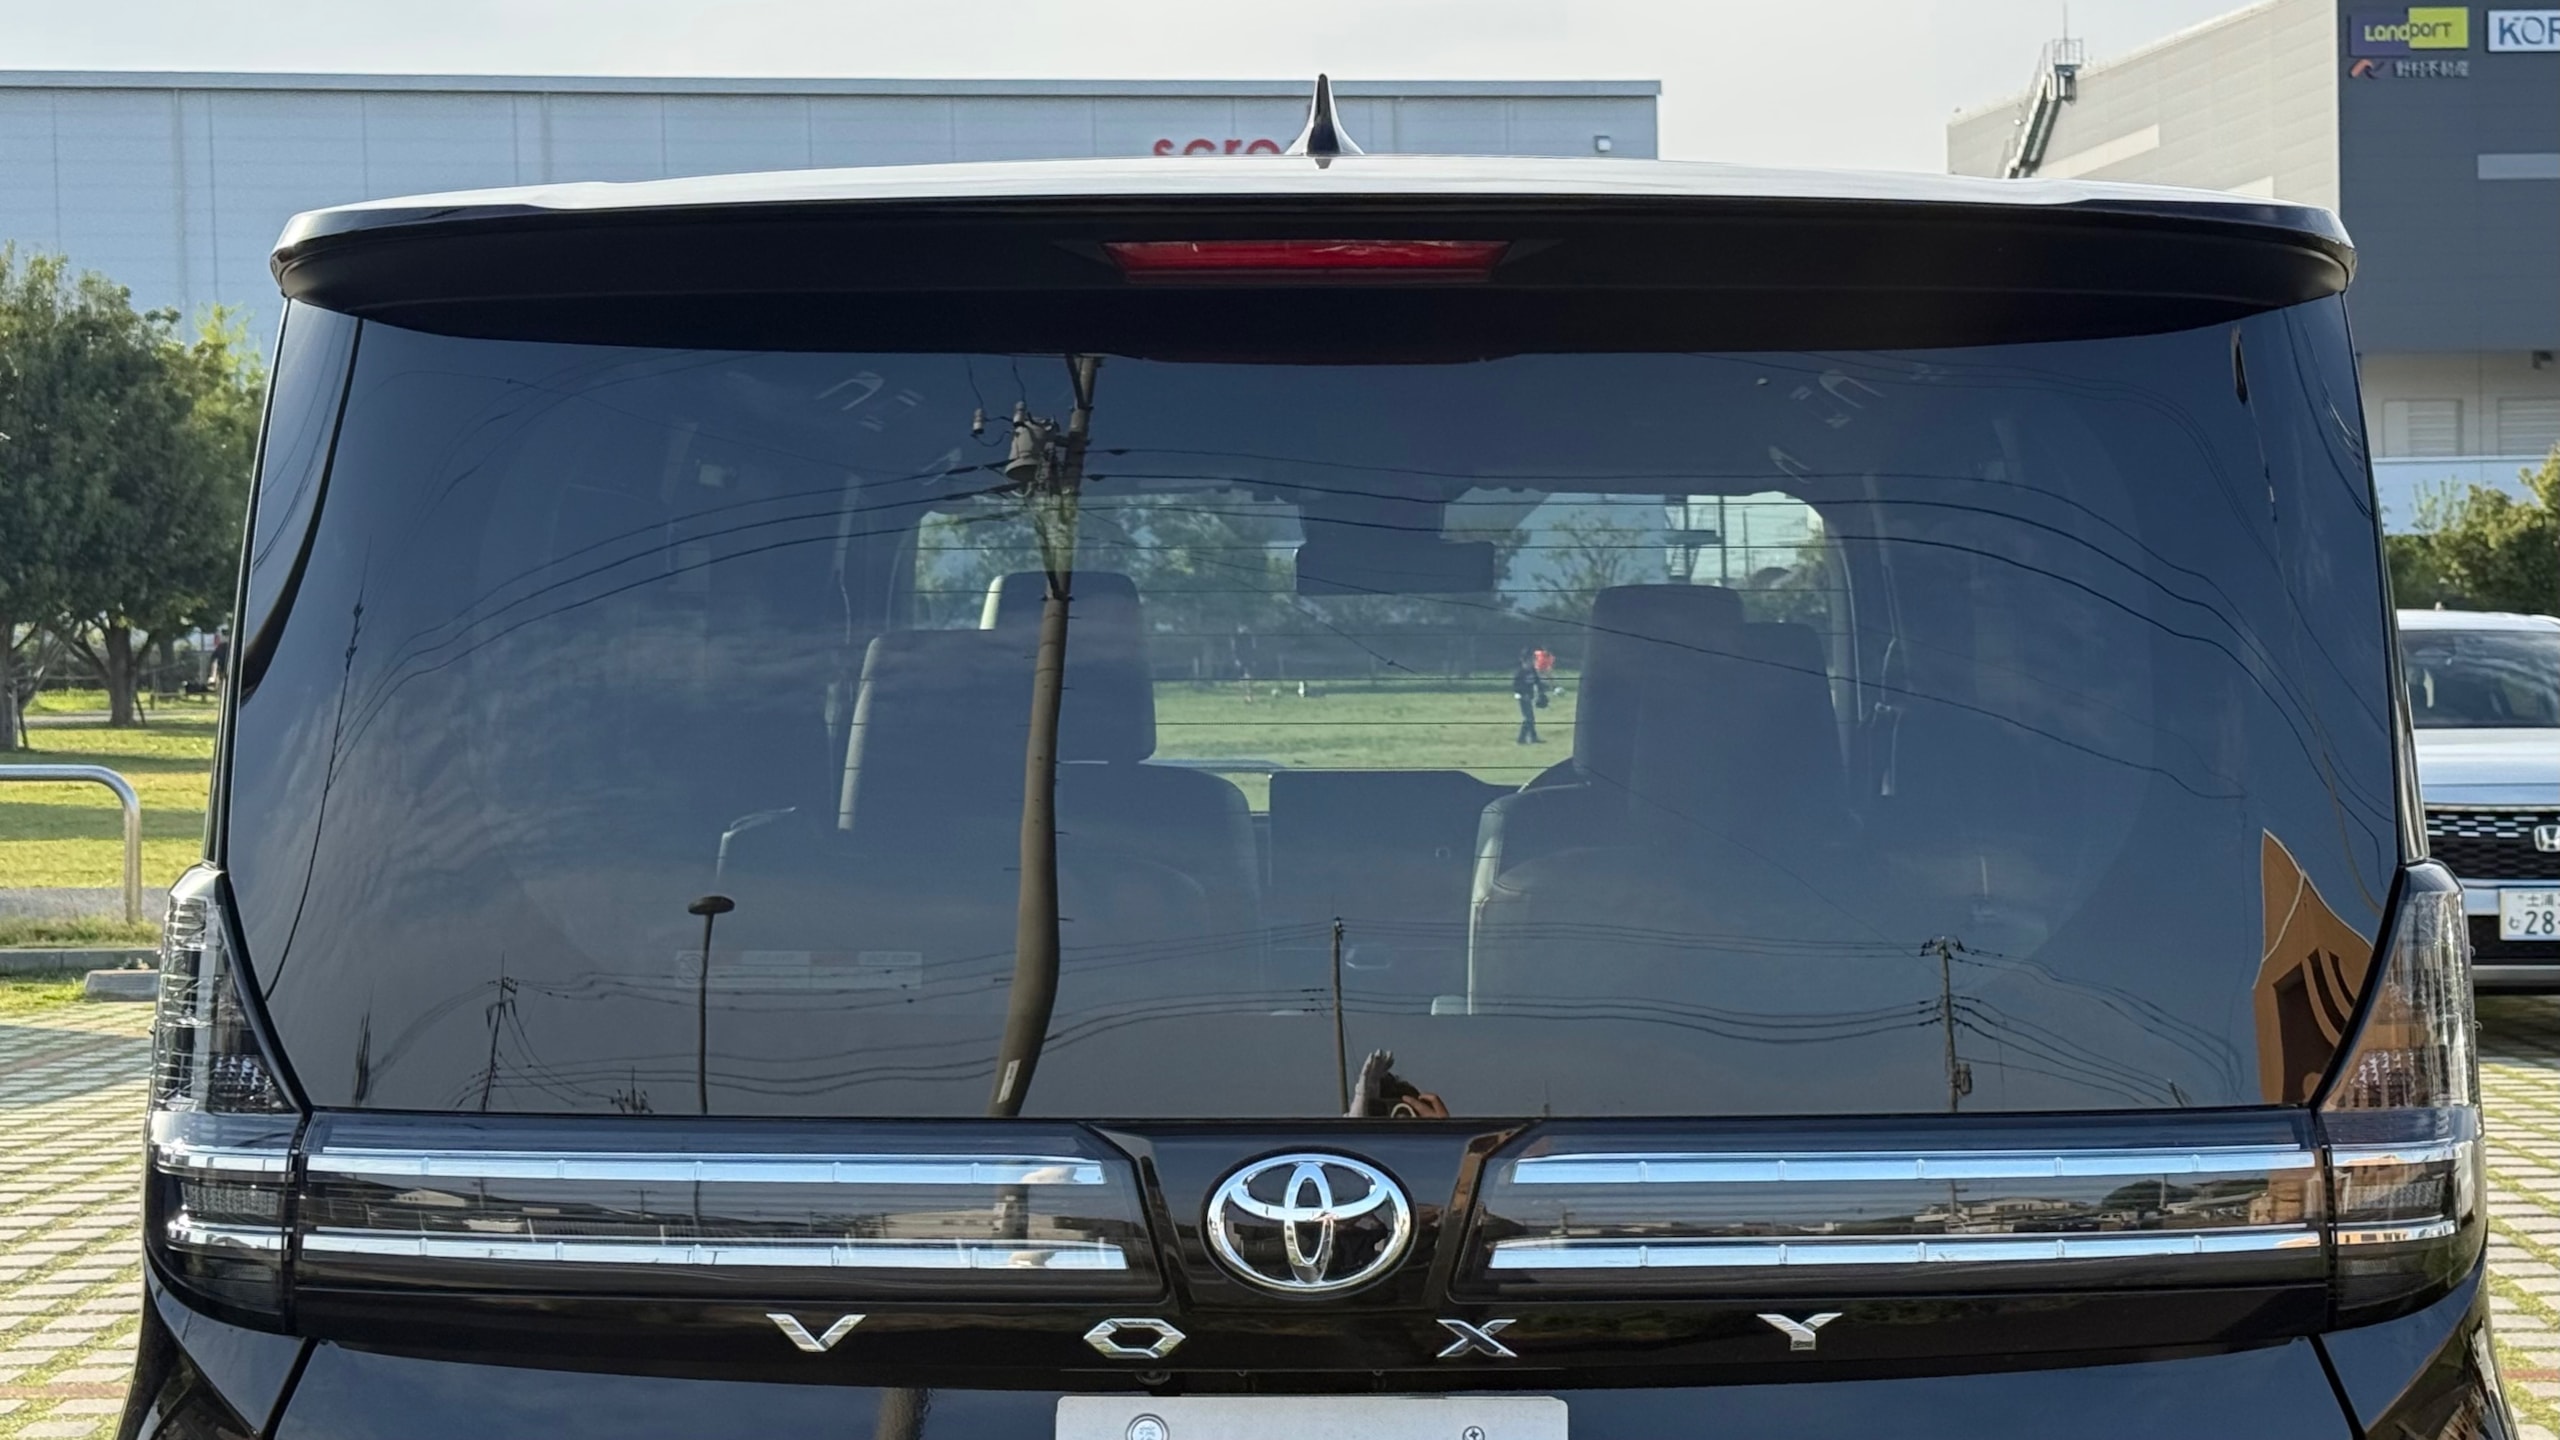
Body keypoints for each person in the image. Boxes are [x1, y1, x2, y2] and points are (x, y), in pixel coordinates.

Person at [1511, 647, 1550, 745]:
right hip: (1522, 698)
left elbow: (1537, 682)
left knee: (1531, 718)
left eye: (1533, 660)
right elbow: (1516, 686)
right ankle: (1521, 739)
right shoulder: (1520, 672)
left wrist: (1542, 692)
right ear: (1523, 661)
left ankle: (1533, 738)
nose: (1532, 662)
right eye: (1530, 660)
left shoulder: (1532, 670)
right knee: (1528, 718)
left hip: (1530, 696)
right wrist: (1522, 694)